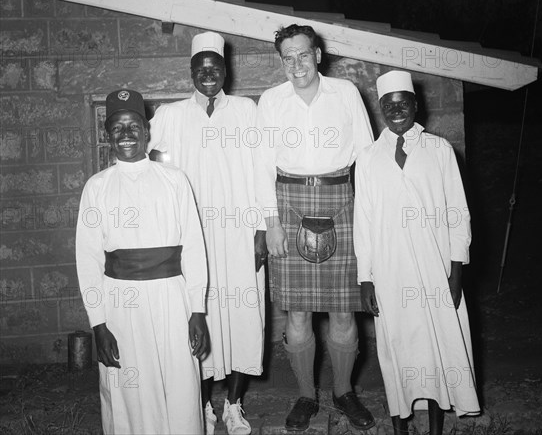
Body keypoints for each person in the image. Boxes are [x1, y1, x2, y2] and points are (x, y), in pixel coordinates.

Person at [255, 24, 375, 431]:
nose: (296, 64)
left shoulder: (346, 93)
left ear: (318, 54)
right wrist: (270, 222)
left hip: (341, 200)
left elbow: (367, 155)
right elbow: (260, 166)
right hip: (288, 203)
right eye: (287, 57)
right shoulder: (271, 101)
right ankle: (307, 395)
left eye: (302, 54)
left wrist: (370, 219)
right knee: (298, 310)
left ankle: (344, 392)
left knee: (344, 309)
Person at [148, 31, 266, 435]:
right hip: (191, 237)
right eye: (201, 68)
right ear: (191, 72)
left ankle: (234, 404)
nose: (208, 74)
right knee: (199, 319)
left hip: (239, 233)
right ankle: (203, 406)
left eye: (215, 67)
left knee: (242, 318)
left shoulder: (247, 110)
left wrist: (262, 230)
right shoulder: (170, 115)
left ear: (226, 69)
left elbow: (262, 173)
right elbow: (153, 173)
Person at [353, 70, 480, 435]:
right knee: (397, 352)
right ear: (380, 108)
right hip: (390, 272)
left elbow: (458, 213)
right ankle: (400, 428)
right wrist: (366, 277)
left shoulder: (439, 150)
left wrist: (456, 271)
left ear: (416, 104)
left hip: (434, 267)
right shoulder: (368, 158)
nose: (397, 110)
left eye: (403, 103)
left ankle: (436, 427)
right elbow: (364, 222)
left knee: (435, 348)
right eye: (389, 104)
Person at [76, 89, 209, 435]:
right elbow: (88, 260)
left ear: (147, 131)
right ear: (107, 136)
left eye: (133, 125)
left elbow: (193, 247)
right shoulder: (97, 188)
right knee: (130, 394)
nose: (126, 134)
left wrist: (197, 310)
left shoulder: (175, 181)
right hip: (121, 304)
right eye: (116, 128)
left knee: (179, 388)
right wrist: (98, 324)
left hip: (171, 298)